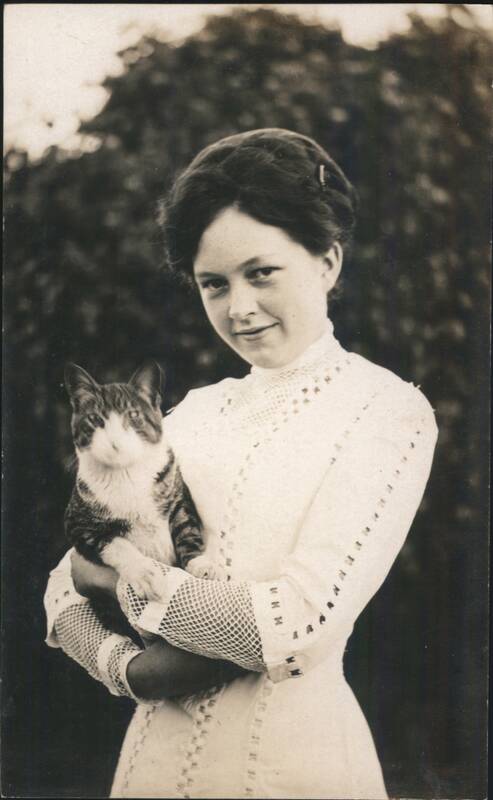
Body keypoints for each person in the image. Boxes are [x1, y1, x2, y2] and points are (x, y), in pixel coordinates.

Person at [44, 128, 438, 799]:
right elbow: (60, 588)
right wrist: (131, 671)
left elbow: (292, 629)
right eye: (213, 284)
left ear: (327, 262)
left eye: (261, 272)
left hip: (293, 767)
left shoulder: (384, 412)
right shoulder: (190, 415)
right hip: (149, 769)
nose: (240, 308)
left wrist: (120, 585)